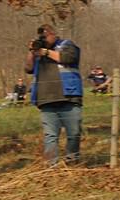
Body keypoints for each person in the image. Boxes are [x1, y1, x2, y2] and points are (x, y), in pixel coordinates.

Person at [25, 23, 83, 164]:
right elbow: (28, 68)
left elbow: (69, 58)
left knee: (74, 133)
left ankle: (72, 163)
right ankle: (52, 167)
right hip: (45, 99)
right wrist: (32, 51)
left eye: (45, 36)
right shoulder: (38, 51)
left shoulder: (66, 44)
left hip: (68, 96)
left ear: (53, 34)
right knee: (50, 136)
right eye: (41, 37)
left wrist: (45, 52)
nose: (43, 39)